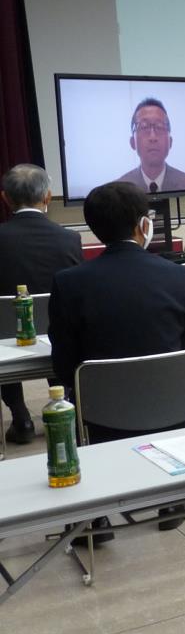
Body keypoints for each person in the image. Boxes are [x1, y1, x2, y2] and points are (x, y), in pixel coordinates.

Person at [48, 181, 185, 537]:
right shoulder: (179, 276)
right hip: (178, 411)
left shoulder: (70, 283)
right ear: (143, 224)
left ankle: (95, 514)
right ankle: (175, 498)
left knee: (70, 402)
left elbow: (64, 366)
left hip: (103, 418)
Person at [0, 164, 82, 444]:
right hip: (56, 332)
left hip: (6, 337)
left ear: (5, 198)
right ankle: (63, 402)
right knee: (63, 324)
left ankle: (20, 415)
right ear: (47, 197)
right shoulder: (69, 239)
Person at [114, 99, 185, 193]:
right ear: (132, 142)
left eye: (160, 127)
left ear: (170, 142)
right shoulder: (118, 191)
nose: (153, 137)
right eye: (144, 127)